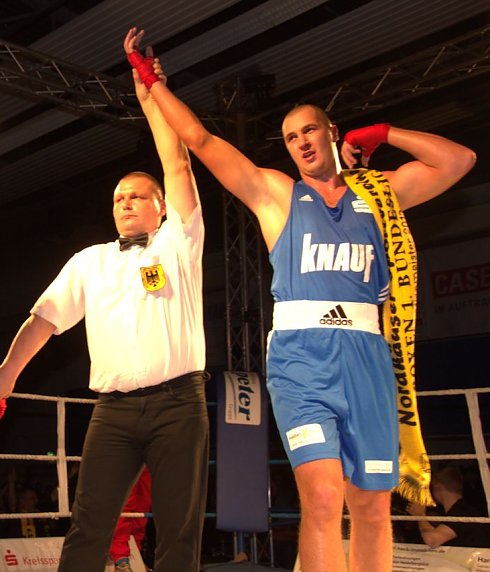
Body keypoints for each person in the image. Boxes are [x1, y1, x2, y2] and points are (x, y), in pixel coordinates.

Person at [122, 26, 476, 572]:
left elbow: (459, 161)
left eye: (309, 130)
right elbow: (202, 141)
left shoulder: (378, 195)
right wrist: (153, 83)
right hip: (302, 360)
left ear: (331, 132)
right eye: (290, 138)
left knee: (373, 508)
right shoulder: (277, 194)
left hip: (368, 357)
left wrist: (384, 132)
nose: (302, 142)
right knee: (324, 496)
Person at [0, 37, 209, 572]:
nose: (124, 202)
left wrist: (150, 93)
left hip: (179, 403)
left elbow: (177, 163)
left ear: (160, 207)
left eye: (136, 195)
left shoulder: (179, 243)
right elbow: (43, 320)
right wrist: (8, 373)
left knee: (179, 530)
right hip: (114, 410)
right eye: (117, 198)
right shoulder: (90, 260)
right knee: (89, 523)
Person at [406, 466, 490, 548]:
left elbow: (432, 540)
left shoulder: (461, 512)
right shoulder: (462, 509)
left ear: (438, 486)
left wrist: (420, 515)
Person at [110, 466, 152, 572]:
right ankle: (121, 560)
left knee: (143, 504)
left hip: (151, 460)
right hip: (124, 457)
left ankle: (135, 555)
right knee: (126, 501)